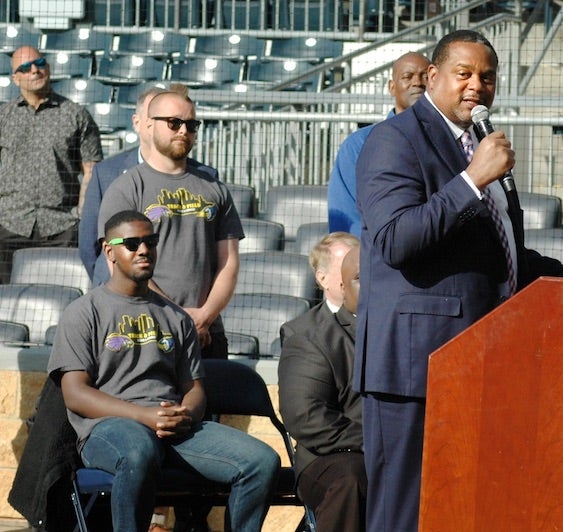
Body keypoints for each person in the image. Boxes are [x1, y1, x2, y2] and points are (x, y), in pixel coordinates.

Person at [354, 29, 563, 531]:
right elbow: (395, 239)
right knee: (402, 516)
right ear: (434, 77)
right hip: (415, 370)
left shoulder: (485, 145)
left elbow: (504, 257)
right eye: (463, 74)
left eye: (487, 77)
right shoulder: (394, 139)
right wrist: (471, 181)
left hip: (481, 363)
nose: (476, 86)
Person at [47, 210, 280, 532]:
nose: (143, 250)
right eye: (131, 243)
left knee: (261, 461)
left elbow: (194, 385)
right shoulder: (83, 312)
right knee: (138, 451)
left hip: (172, 426)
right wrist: (144, 417)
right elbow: (75, 393)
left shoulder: (177, 317)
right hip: (110, 427)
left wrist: (185, 414)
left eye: (150, 241)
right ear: (109, 251)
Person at [97, 89, 243, 361]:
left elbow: (229, 263)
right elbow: (120, 266)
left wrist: (205, 316)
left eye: (191, 124)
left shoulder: (215, 188)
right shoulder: (126, 189)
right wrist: (178, 316)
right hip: (148, 330)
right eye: (174, 123)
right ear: (149, 124)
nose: (183, 131)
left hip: (207, 330)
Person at [78, 83, 218, 286]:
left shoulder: (205, 177)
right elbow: (89, 243)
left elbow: (213, 248)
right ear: (138, 122)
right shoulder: (106, 173)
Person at [278, 244, 366, 532]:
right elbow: (306, 417)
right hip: (333, 455)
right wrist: (378, 440)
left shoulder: (407, 330)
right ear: (340, 281)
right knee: (351, 480)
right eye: (361, 276)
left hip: (397, 450)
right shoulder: (309, 336)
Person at [0, 45, 103, 283]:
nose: (35, 70)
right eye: (25, 67)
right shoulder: (4, 116)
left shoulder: (76, 115)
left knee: (60, 298)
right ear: (16, 78)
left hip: (62, 227)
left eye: (40, 63)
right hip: (9, 224)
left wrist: (81, 216)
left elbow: (91, 170)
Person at [328, 51, 430, 235]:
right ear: (392, 87)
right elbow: (347, 216)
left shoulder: (449, 140)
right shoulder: (358, 144)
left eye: (426, 77)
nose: (418, 83)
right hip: (374, 257)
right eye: (407, 77)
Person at [279, 231, 359, 343]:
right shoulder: (300, 333)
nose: (360, 275)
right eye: (346, 267)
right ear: (323, 279)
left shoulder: (386, 317)